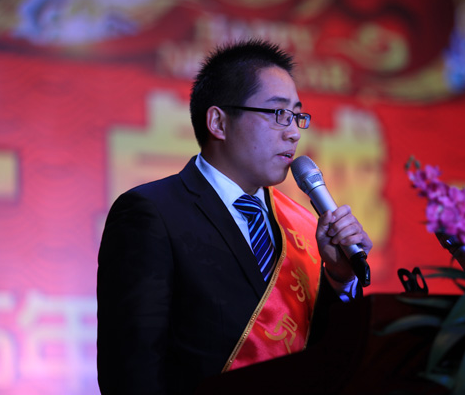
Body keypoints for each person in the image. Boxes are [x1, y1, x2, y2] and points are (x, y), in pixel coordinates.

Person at [97, 38, 373, 394]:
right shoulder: (151, 213)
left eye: (297, 116)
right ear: (218, 122)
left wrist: (338, 278)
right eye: (278, 114)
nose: (293, 132)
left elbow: (326, 358)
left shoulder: (303, 227)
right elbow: (130, 371)